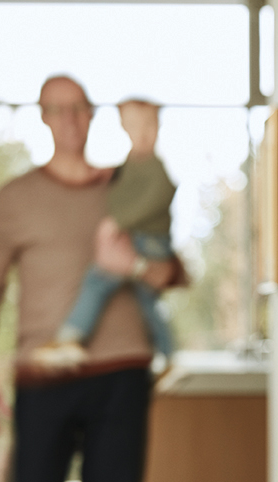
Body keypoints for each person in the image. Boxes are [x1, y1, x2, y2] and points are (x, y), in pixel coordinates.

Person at [0, 75, 179, 482]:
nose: (68, 119)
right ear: (42, 118)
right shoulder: (16, 197)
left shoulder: (125, 188)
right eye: (56, 110)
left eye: (79, 109)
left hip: (120, 372)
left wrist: (129, 263)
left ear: (92, 116)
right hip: (44, 375)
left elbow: (172, 272)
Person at [32, 99, 176, 369]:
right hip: (140, 240)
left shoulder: (155, 168)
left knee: (98, 280)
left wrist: (117, 222)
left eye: (149, 125)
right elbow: (122, 190)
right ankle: (168, 357)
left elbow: (157, 197)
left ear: (159, 127)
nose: (143, 133)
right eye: (134, 125)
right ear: (124, 127)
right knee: (147, 303)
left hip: (149, 242)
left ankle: (69, 338)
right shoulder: (129, 165)